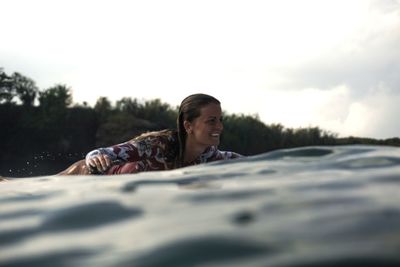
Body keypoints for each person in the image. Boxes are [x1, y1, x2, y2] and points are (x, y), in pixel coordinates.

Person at [58, 94, 242, 175]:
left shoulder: (211, 156)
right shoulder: (159, 145)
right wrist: (95, 160)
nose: (219, 126)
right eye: (211, 121)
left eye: (220, 120)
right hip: (87, 176)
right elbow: (99, 153)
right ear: (188, 125)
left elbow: (249, 162)